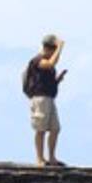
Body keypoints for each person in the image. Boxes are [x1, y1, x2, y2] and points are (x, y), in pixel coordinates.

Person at [23, 33, 67, 167]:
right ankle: (39, 158)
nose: (54, 53)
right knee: (40, 129)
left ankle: (52, 158)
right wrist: (60, 47)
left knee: (55, 128)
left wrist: (57, 80)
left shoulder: (46, 63)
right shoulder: (38, 60)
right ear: (48, 48)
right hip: (40, 99)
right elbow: (49, 64)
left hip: (49, 98)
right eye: (53, 50)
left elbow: (46, 79)